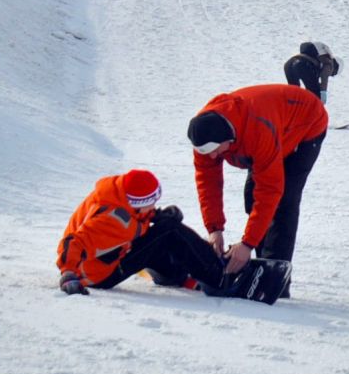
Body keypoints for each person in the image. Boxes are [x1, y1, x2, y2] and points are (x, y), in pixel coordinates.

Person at [188, 83, 329, 279]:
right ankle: (258, 262)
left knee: (282, 201)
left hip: (306, 123)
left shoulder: (258, 131)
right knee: (252, 196)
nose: (211, 156)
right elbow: (208, 184)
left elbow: (270, 190)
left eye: (215, 150)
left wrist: (247, 244)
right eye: (206, 152)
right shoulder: (203, 134)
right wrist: (214, 229)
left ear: (228, 139)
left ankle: (274, 274)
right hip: (273, 125)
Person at [55, 169, 226, 295]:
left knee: (161, 233)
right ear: (138, 203)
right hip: (98, 274)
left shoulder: (119, 194)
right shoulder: (110, 220)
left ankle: (177, 276)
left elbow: (135, 215)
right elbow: (73, 242)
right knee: (169, 230)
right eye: (151, 203)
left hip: (112, 255)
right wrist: (69, 275)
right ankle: (217, 275)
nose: (153, 205)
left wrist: (156, 215)